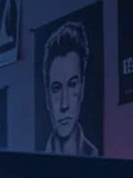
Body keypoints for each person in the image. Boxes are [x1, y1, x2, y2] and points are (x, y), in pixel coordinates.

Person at [38, 20, 99, 157]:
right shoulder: (35, 167)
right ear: (47, 98)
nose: (64, 104)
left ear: (82, 89)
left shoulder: (96, 156)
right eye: (56, 88)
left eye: (72, 85)